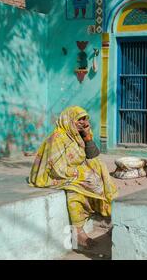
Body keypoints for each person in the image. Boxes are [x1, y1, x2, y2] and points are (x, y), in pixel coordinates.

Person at [29, 106, 117, 250]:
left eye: (84, 119)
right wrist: (81, 173)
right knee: (75, 188)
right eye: (79, 119)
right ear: (69, 120)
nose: (83, 122)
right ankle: (78, 233)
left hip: (73, 170)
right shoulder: (57, 138)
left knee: (100, 167)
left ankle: (110, 216)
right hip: (52, 174)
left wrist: (87, 135)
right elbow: (57, 169)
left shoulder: (78, 135)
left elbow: (93, 155)